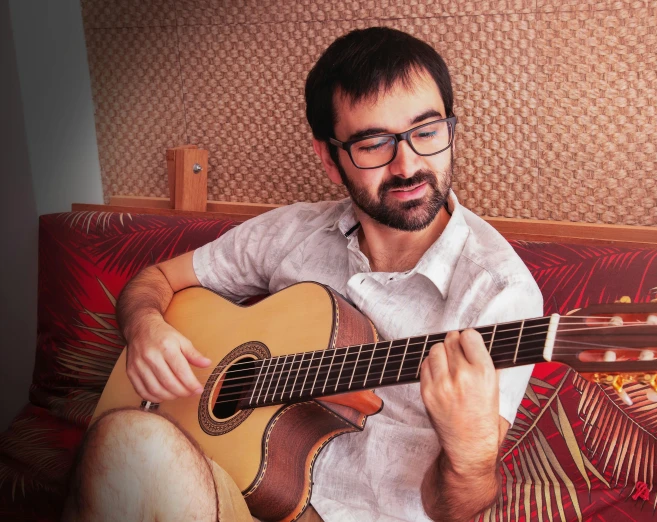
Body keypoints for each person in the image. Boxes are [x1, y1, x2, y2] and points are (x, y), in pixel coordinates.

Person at [63, 27, 543, 522]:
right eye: (374, 143)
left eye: (426, 132)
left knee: (124, 448)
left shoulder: (499, 294)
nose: (407, 165)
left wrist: (470, 456)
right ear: (330, 158)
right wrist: (145, 327)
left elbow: (456, 509)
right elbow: (156, 281)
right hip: (233, 491)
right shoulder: (290, 233)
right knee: (125, 443)